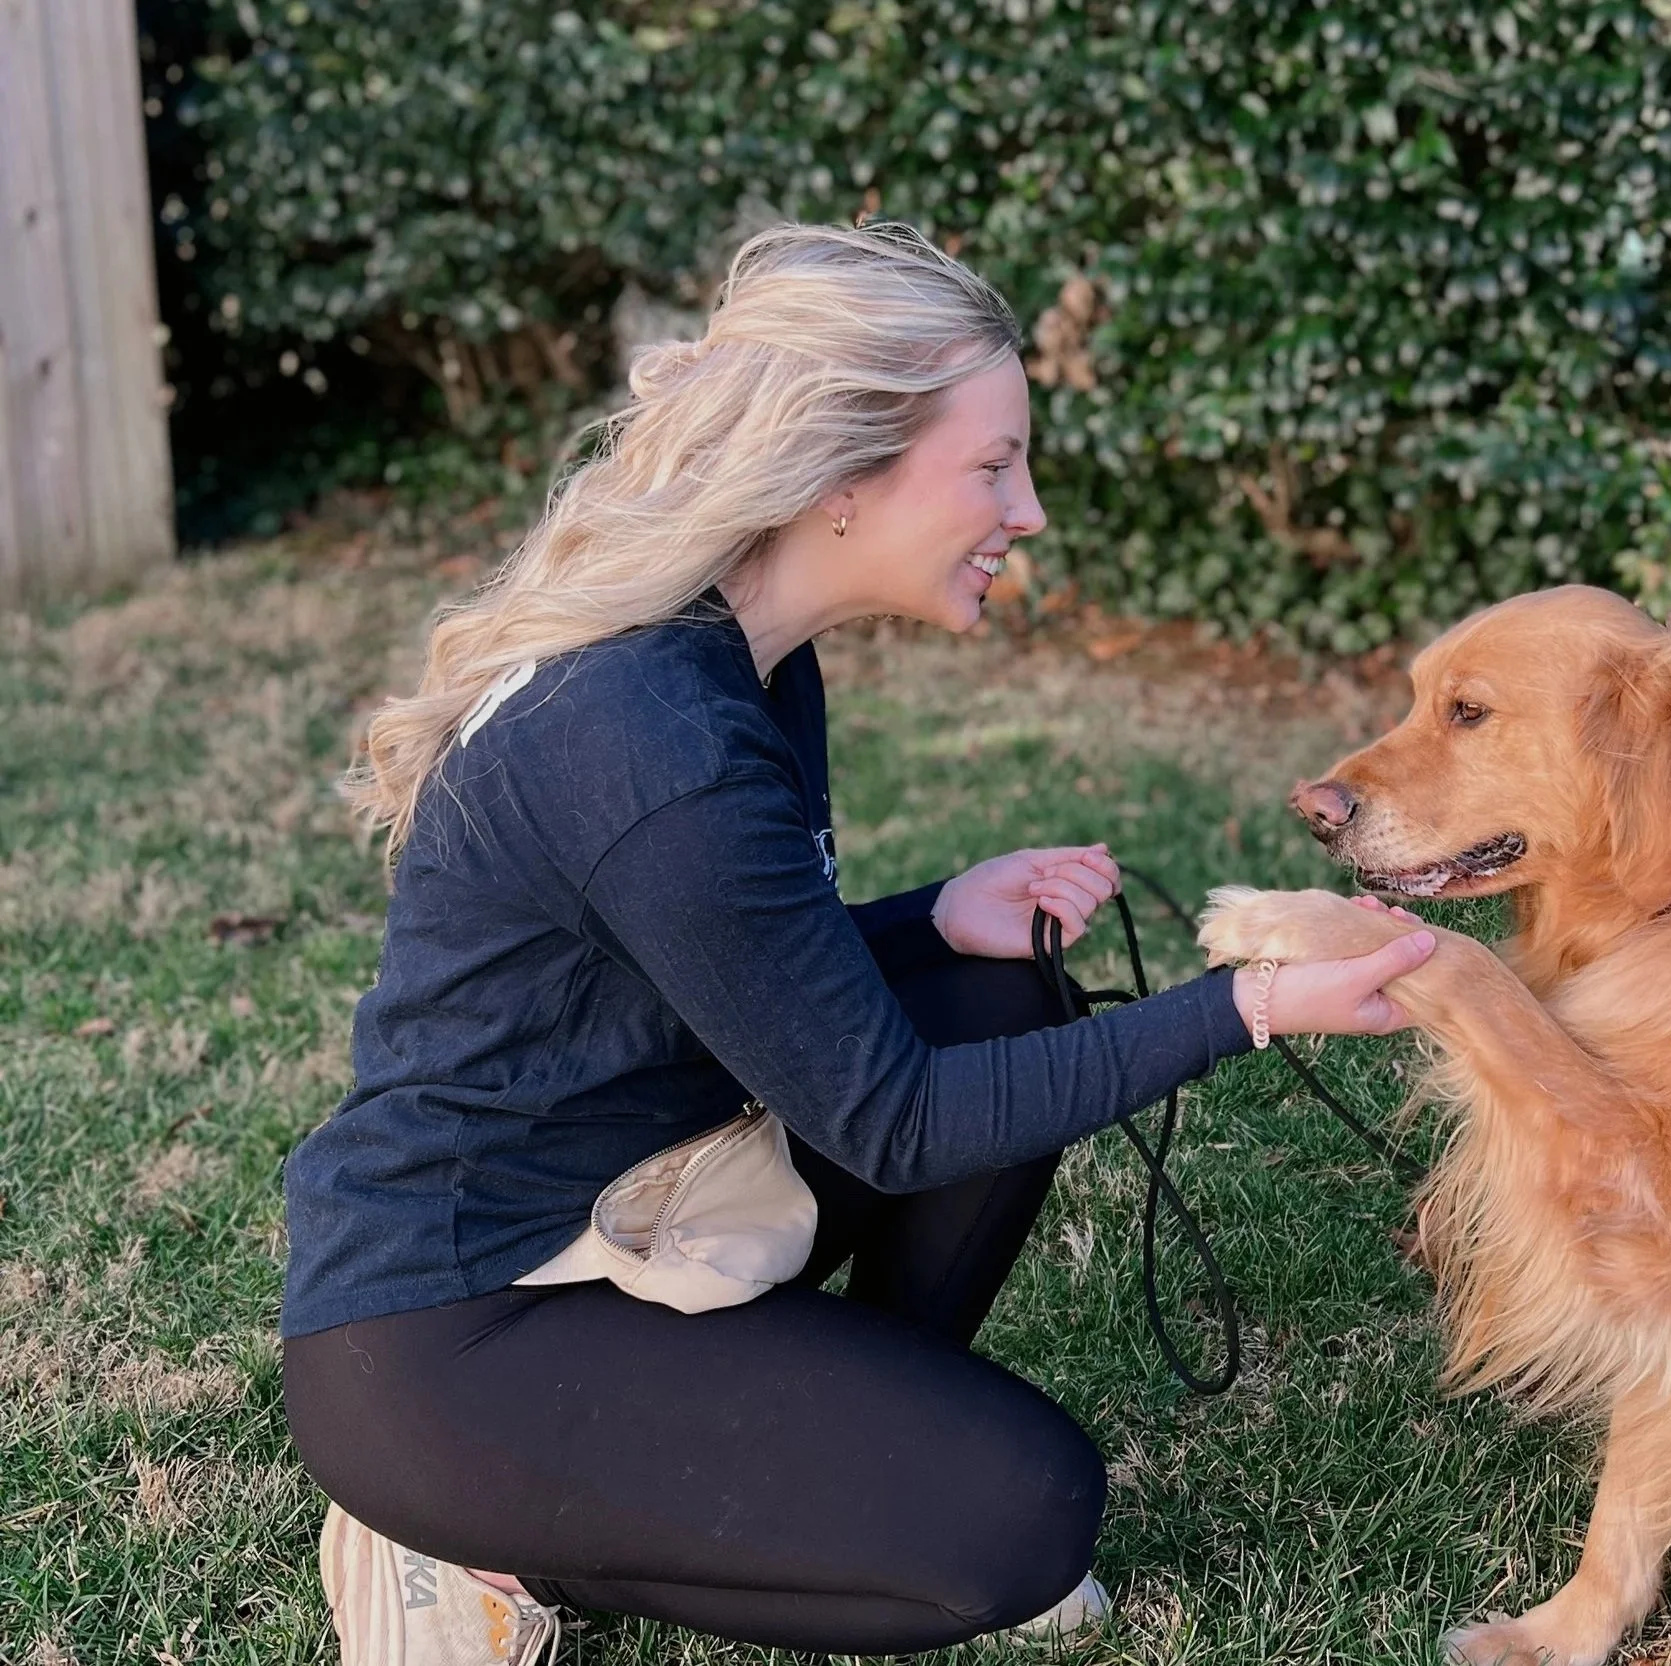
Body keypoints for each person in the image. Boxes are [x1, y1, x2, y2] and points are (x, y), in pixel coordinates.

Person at [280, 222, 1438, 1666]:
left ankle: (842, 1447)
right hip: (455, 1332)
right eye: (993, 465)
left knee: (993, 990)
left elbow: (717, 960)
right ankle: (475, 1533)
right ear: (838, 480)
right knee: (1021, 1520)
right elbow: (894, 1124)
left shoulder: (747, 658)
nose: (1027, 511)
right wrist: (1249, 1004)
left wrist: (927, 918)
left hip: (641, 1198)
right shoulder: (651, 736)